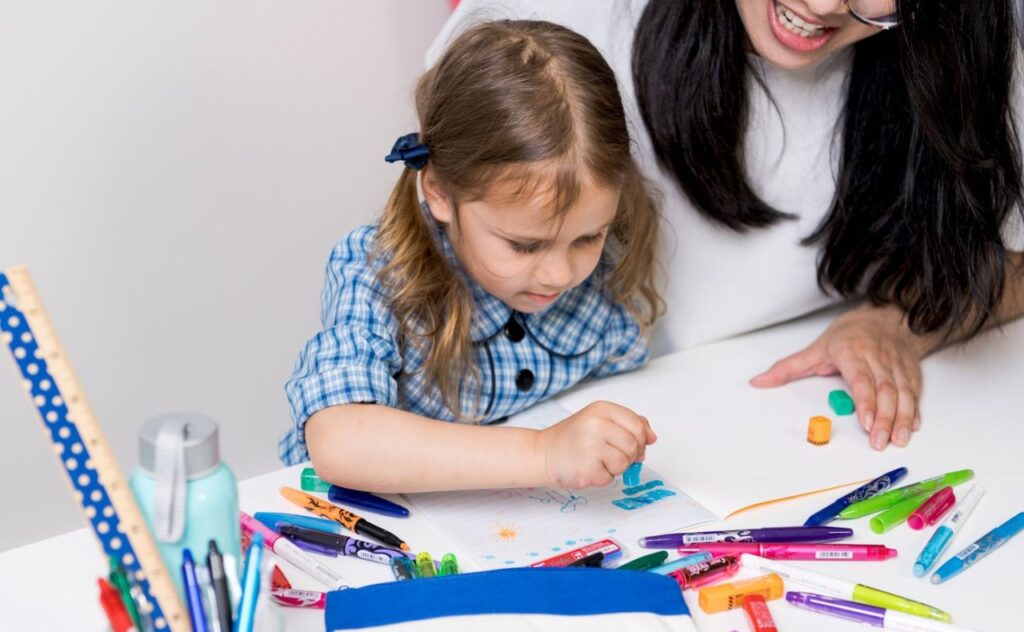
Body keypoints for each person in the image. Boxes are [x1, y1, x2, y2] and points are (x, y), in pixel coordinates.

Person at [431, 0, 1024, 450]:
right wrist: (531, 455)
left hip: (740, 429)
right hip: (540, 431)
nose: (819, 8)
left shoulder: (971, 43)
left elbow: (1011, 257)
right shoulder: (542, 27)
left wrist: (897, 322)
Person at [279, 20, 663, 492]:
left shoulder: (609, 264)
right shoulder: (377, 269)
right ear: (439, 192)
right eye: (524, 245)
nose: (562, 272)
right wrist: (542, 453)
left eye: (588, 238)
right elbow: (340, 441)